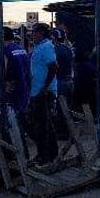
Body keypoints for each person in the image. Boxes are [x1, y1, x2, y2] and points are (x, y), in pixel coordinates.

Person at [28, 23, 60, 164]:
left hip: (44, 92)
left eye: (34, 32)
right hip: (37, 91)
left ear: (40, 33)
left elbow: (53, 67)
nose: (32, 34)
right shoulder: (39, 47)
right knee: (42, 125)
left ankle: (46, 157)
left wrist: (45, 87)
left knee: (42, 126)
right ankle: (48, 155)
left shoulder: (47, 46)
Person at [2, 28, 31, 118]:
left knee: (12, 119)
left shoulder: (5, 51)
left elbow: (3, 71)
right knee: (22, 115)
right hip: (24, 87)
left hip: (12, 90)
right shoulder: (21, 49)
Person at [53, 29, 75, 114]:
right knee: (67, 109)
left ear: (54, 38)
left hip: (60, 81)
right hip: (69, 81)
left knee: (60, 110)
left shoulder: (56, 50)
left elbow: (54, 67)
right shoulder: (68, 49)